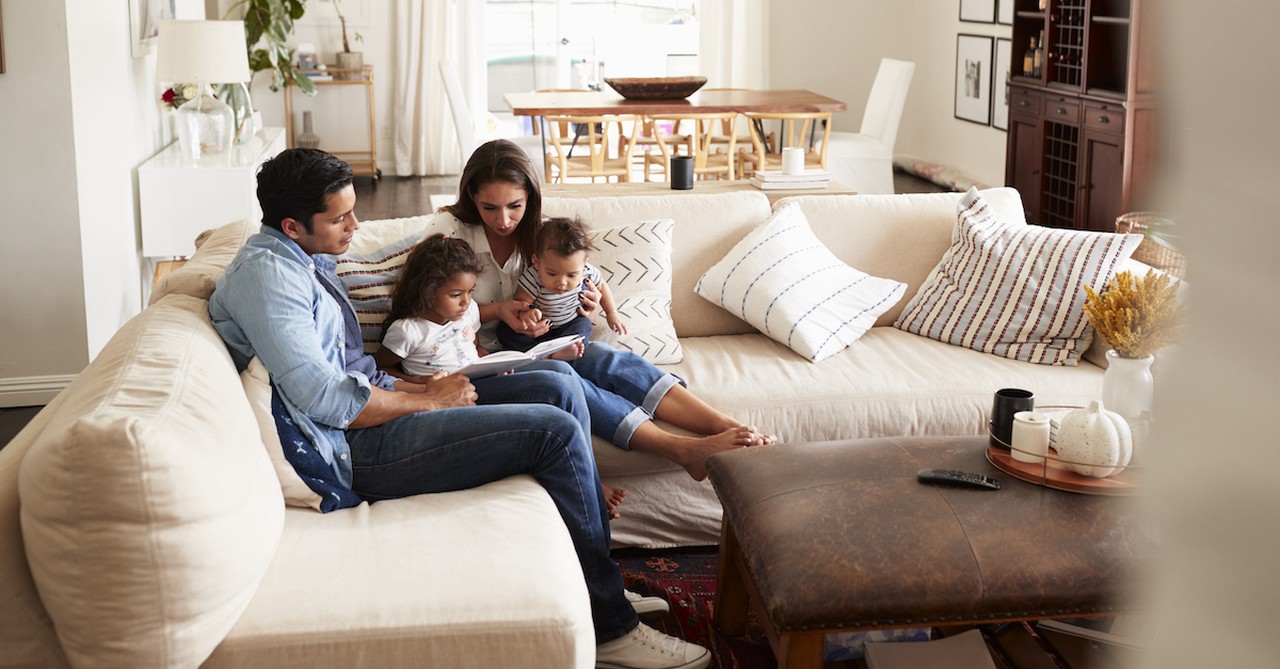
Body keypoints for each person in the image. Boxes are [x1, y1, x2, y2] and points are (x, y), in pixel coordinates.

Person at [208, 148, 708, 669]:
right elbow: (325, 400)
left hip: (382, 401)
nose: (356, 225)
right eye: (340, 218)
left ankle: (594, 581)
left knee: (558, 380)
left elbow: (349, 371)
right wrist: (425, 397)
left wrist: (428, 388)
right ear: (292, 224)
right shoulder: (270, 279)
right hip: (356, 446)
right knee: (554, 432)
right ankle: (611, 630)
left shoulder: (300, 256)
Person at [418, 138, 775, 481]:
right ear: (471, 198)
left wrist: (584, 305)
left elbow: (576, 283)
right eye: (489, 208)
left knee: (605, 359)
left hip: (534, 347)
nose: (504, 220)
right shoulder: (450, 231)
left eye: (515, 206)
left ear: (530, 197)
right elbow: (422, 304)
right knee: (567, 379)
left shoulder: (541, 237)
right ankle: (683, 451)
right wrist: (498, 310)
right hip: (475, 362)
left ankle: (729, 426)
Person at [380, 232, 625, 519]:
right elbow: (381, 369)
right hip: (449, 399)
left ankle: (586, 477)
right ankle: (587, 485)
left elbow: (470, 341)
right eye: (456, 295)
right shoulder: (409, 330)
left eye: (470, 292)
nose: (466, 302)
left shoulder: (467, 312)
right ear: (426, 290)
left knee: (561, 375)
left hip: (482, 380)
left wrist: (489, 358)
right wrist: (422, 385)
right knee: (552, 402)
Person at [497, 216, 627, 352]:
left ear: (583, 264)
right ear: (536, 262)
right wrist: (527, 315)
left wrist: (611, 312)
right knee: (505, 331)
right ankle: (540, 352)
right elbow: (520, 302)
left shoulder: (587, 272)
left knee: (584, 326)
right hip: (538, 329)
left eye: (571, 275)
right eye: (552, 274)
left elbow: (602, 286)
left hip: (569, 324)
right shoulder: (533, 277)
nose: (562, 283)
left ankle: (563, 350)